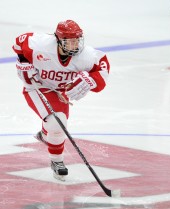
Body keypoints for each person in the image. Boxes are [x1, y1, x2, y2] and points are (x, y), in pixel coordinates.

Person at [12, 20, 110, 181]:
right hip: (38, 87)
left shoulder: (86, 56)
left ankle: (45, 135)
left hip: (60, 92)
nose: (75, 45)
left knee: (58, 126)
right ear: (58, 39)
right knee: (57, 123)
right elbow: (19, 42)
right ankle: (57, 161)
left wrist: (91, 79)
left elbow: (103, 69)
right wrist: (24, 63)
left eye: (77, 40)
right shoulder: (40, 45)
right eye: (69, 41)